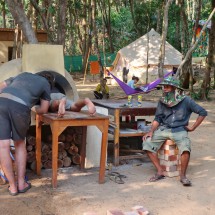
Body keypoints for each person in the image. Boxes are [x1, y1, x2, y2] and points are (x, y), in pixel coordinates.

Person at [142, 76, 207, 186]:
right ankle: (160, 171)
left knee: (185, 148)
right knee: (147, 143)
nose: (164, 89)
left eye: (167, 87)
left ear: (174, 88)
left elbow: (203, 112)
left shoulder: (186, 100)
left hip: (179, 130)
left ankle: (183, 176)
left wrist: (193, 127)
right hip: (164, 128)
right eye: (164, 87)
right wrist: (151, 131)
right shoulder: (163, 101)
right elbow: (158, 118)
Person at [0, 71, 54, 196]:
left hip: (1, 102)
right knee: (19, 144)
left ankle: (12, 187)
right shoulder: (46, 83)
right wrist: (34, 107)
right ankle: (21, 184)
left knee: (3, 146)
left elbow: (2, 85)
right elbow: (44, 109)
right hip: (20, 107)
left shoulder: (22, 75)